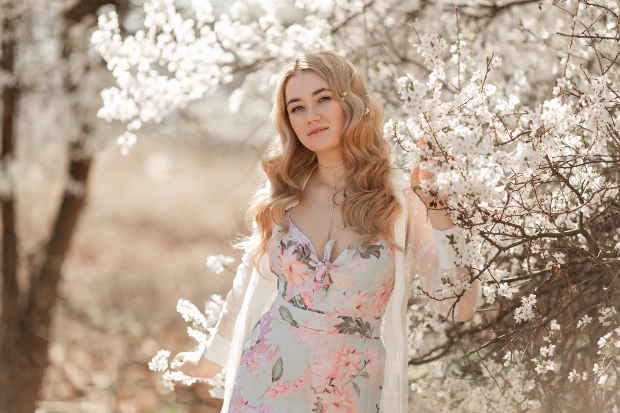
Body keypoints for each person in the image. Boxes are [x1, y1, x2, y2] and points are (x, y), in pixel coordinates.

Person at [172, 50, 480, 413]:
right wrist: (210, 360)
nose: (311, 115)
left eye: (323, 98)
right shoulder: (285, 192)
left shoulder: (400, 198)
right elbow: (248, 281)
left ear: (350, 100)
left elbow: (459, 306)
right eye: (296, 107)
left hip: (350, 390)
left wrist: (440, 212)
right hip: (264, 383)